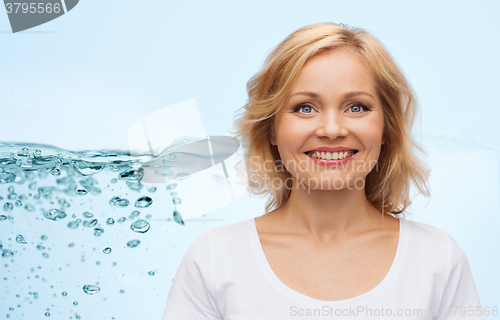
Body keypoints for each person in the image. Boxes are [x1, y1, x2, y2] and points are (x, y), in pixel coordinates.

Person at [162, 22, 484, 319]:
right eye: (305, 108)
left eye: (356, 107)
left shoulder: (438, 260)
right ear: (271, 129)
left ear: (386, 128)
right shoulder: (214, 260)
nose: (331, 129)